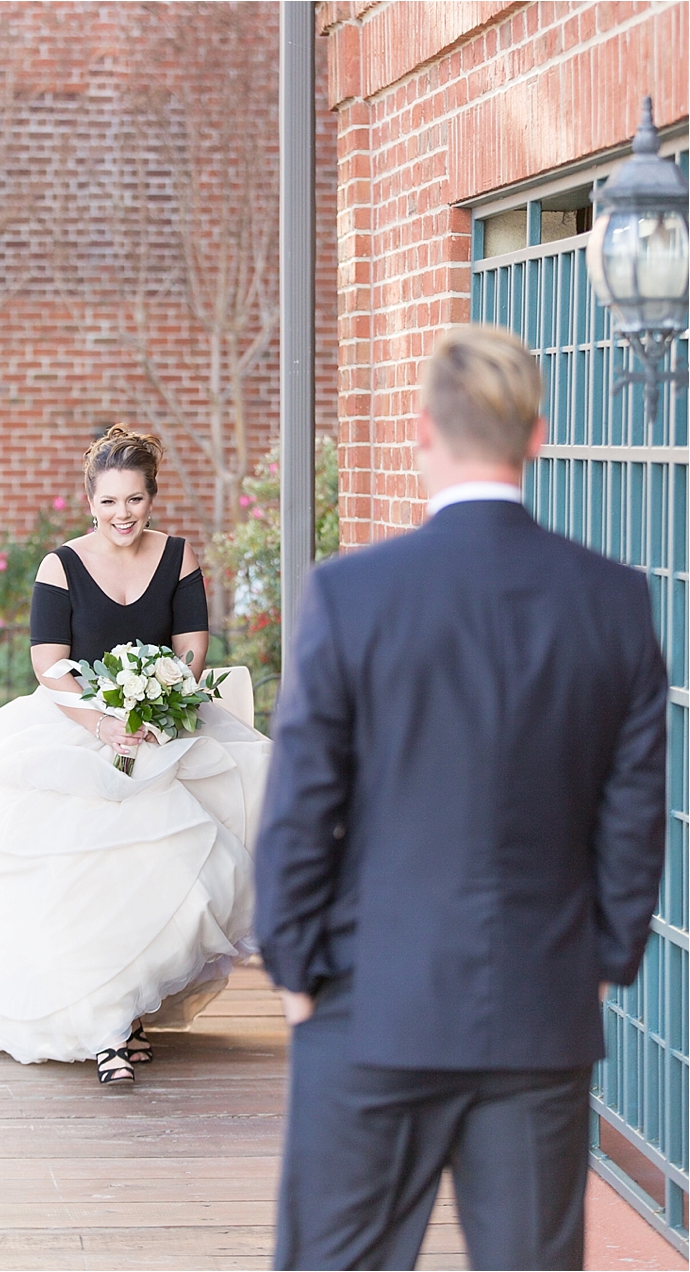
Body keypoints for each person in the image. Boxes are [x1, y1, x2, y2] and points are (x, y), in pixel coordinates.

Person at [256, 325, 668, 1271]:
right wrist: (601, 960)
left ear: (420, 434)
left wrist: (293, 969)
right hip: (539, 1006)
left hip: (368, 1005)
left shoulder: (354, 594)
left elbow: (299, 805)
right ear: (536, 434)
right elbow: (632, 811)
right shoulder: (612, 599)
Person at [0, 427, 270, 1083]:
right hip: (78, 726)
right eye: (109, 502)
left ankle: (128, 1016)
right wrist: (104, 724)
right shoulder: (61, 566)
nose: (122, 514)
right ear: (90, 501)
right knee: (83, 876)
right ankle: (102, 1027)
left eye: (134, 500)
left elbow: (191, 648)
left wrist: (161, 706)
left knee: (174, 870)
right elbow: (48, 665)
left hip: (164, 727)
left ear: (151, 498)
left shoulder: (180, 558)